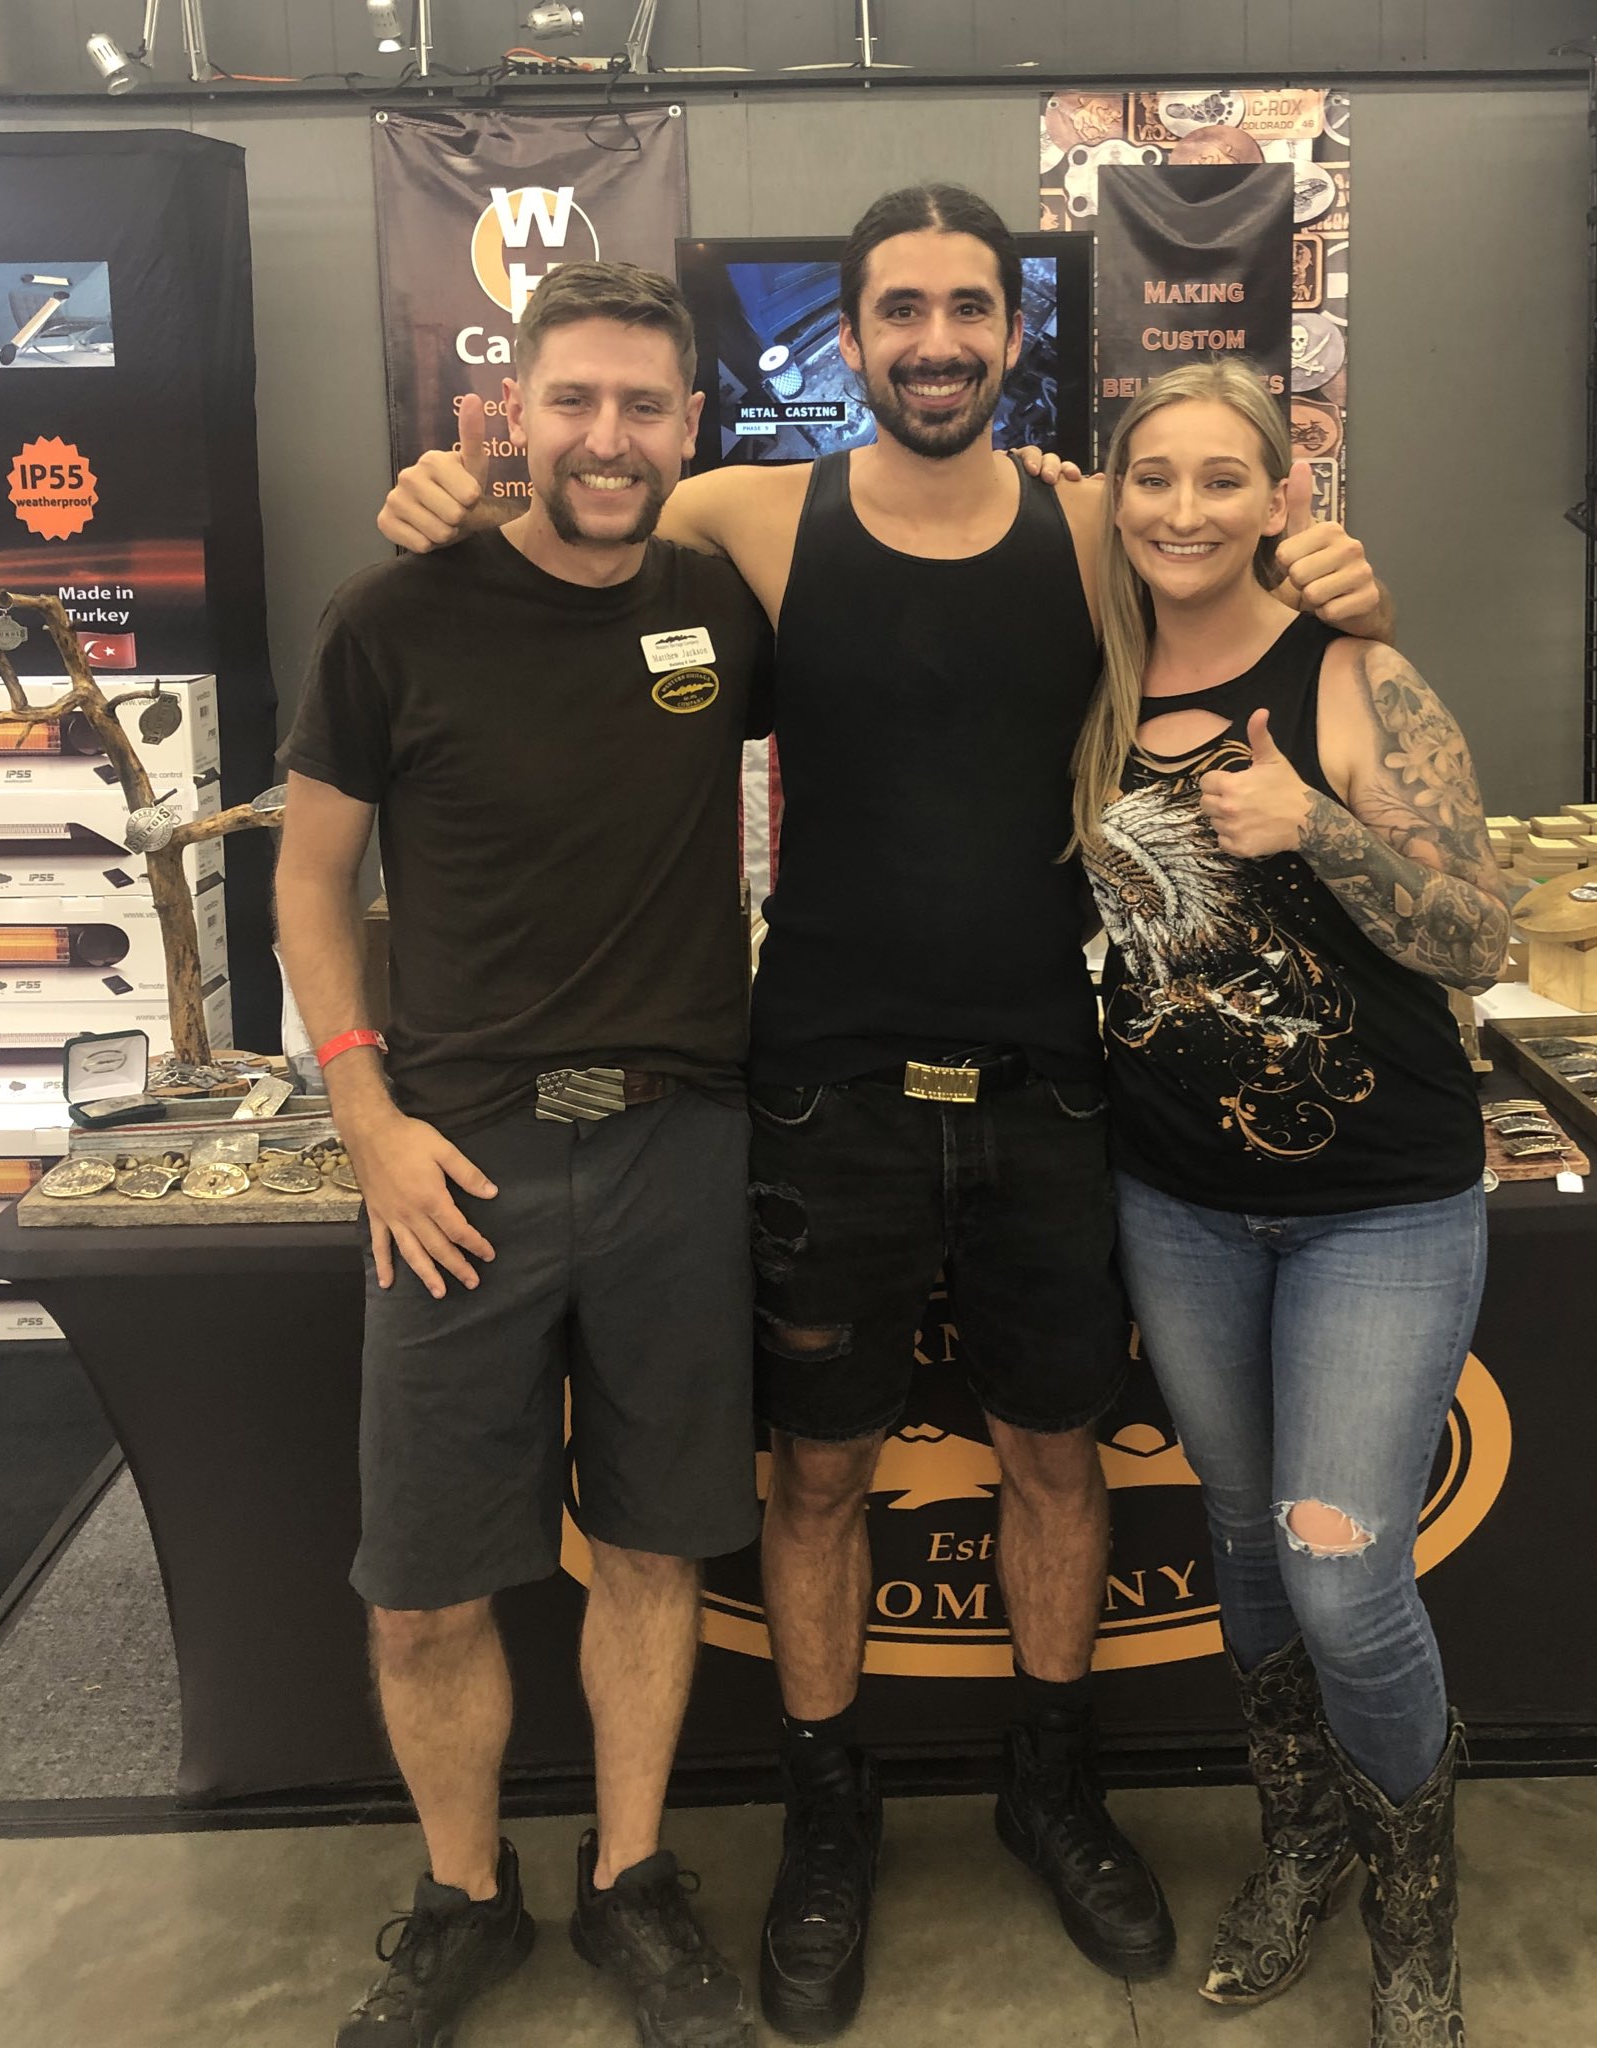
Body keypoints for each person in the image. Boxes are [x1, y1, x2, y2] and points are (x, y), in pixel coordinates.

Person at [377, 182, 1395, 2043]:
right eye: (898, 310)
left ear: (1016, 332)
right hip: (821, 1085)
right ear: (847, 339)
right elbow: (567, 532)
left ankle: (1051, 1787)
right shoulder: (747, 516)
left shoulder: (1093, 526)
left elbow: (1248, 600)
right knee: (821, 1476)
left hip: (1051, 1080)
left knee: (1056, 1461)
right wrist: (449, 495)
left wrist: (1344, 581)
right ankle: (828, 1815)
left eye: (968, 307)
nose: (935, 341)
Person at [277, 261, 771, 2048]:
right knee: (422, 1592)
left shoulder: (720, 609)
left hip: (675, 1149)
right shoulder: (390, 614)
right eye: (574, 401)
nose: (607, 439)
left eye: (643, 406)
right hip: (452, 1164)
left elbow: (913, 549)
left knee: (652, 1553)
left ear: (689, 428)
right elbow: (309, 880)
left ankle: (631, 1882)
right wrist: (366, 1118)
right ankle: (462, 1898)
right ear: (512, 414)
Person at [1068, 359, 1511, 2048]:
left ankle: (1415, 1921)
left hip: (1376, 1207)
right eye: (1152, 476)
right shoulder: (1094, 682)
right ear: (1115, 494)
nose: (1183, 508)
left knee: (1340, 1578)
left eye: (1220, 477)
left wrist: (1314, 822)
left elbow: (1482, 935)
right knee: (1247, 1547)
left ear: (1282, 496)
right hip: (1176, 1201)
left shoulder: (1352, 671)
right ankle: (1304, 1843)